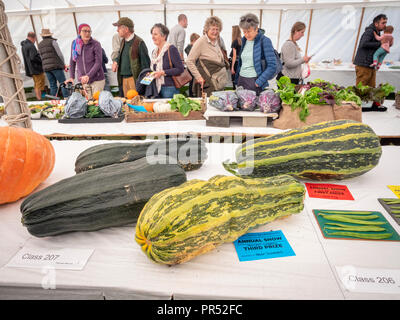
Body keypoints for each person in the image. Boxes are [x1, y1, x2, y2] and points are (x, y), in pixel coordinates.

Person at [186, 16, 229, 97]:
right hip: (208, 84)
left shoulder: (217, 40)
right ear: (207, 29)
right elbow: (189, 61)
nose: (215, 32)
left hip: (217, 82)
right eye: (213, 29)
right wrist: (198, 77)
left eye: (217, 29)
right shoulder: (201, 41)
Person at [235, 13, 277, 95]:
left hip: (254, 82)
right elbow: (242, 62)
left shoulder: (265, 41)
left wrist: (259, 81)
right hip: (241, 80)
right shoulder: (244, 40)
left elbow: (272, 65)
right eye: (244, 32)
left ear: (256, 29)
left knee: (252, 106)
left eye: (249, 31)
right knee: (242, 105)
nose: (246, 34)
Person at [354, 14, 388, 111]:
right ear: (376, 23)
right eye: (383, 23)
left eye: (385, 23)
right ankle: (358, 106)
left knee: (371, 86)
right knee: (362, 87)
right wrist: (380, 44)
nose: (385, 25)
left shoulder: (376, 32)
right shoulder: (369, 31)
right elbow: (363, 44)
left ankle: (371, 105)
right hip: (363, 64)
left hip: (369, 64)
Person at [111, 17, 150, 97]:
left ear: (126, 29)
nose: (117, 30)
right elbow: (120, 54)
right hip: (123, 79)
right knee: (127, 104)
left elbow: (146, 65)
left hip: (134, 80)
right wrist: (115, 61)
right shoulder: (123, 41)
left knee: (136, 104)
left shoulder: (139, 42)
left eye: (119, 28)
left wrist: (145, 86)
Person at [66, 23, 105, 99]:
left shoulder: (96, 44)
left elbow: (98, 62)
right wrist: (71, 77)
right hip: (83, 80)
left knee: (96, 103)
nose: (87, 33)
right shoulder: (75, 44)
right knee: (86, 102)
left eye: (89, 31)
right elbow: (72, 60)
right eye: (84, 31)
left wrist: (88, 75)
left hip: (97, 80)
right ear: (79, 32)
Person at [149, 23, 184, 98]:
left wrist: (163, 72)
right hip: (157, 87)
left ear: (164, 36)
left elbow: (180, 69)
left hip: (169, 88)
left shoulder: (171, 49)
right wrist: (150, 74)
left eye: (155, 34)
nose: (152, 37)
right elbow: (154, 69)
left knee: (169, 109)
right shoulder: (154, 52)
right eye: (152, 34)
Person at [38, 29, 70, 98]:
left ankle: (53, 100)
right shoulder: (52, 41)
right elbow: (59, 54)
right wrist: (63, 63)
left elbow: (41, 57)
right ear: (50, 35)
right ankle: (66, 98)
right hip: (56, 66)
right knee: (63, 82)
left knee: (52, 84)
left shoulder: (39, 44)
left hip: (46, 68)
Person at [21, 32, 45, 100]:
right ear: (33, 38)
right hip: (36, 68)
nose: (35, 41)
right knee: (38, 84)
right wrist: (41, 60)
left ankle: (39, 97)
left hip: (30, 68)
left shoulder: (24, 45)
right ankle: (39, 98)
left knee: (37, 84)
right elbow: (33, 57)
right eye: (35, 39)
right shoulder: (31, 45)